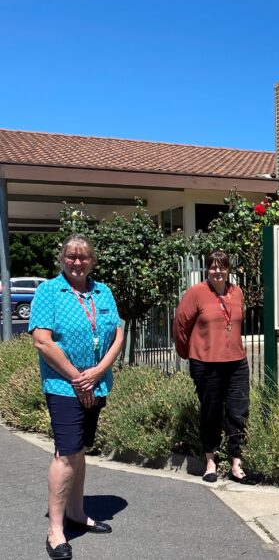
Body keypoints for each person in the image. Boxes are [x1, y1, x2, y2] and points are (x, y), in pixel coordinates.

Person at [29, 234, 124, 560]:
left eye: (83, 257)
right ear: (62, 259)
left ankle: (76, 513)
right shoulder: (48, 292)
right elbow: (42, 341)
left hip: (96, 383)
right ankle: (55, 530)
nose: (77, 262)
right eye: (71, 256)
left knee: (79, 448)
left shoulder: (103, 292)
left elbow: (118, 333)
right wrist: (77, 377)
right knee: (66, 452)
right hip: (64, 386)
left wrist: (98, 372)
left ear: (92, 260)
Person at [173, 249, 250, 483]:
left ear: (228, 269)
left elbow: (238, 322)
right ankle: (210, 461)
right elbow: (180, 326)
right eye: (214, 267)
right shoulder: (196, 293)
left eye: (223, 267)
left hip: (236, 362)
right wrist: (189, 353)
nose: (218, 271)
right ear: (207, 269)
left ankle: (237, 462)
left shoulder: (237, 292)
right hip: (206, 364)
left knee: (238, 412)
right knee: (211, 413)